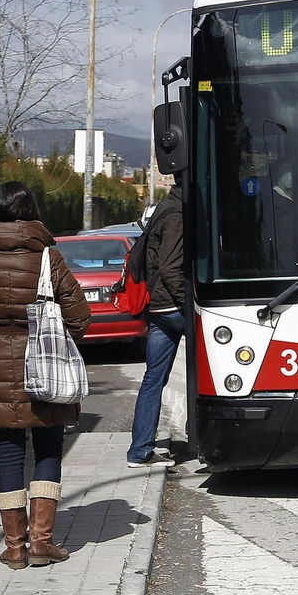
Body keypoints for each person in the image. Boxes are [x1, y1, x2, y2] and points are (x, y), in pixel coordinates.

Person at [0, 181, 91, 568]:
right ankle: (42, 542)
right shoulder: (48, 259)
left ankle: (14, 548)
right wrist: (55, 338)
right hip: (45, 367)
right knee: (47, 450)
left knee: (7, 453)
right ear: (33, 213)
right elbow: (80, 316)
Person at [126, 183, 186, 469]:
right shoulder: (177, 215)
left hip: (158, 307)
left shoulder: (163, 208)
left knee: (153, 378)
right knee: (216, 355)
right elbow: (170, 267)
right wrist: (191, 307)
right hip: (173, 307)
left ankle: (140, 450)